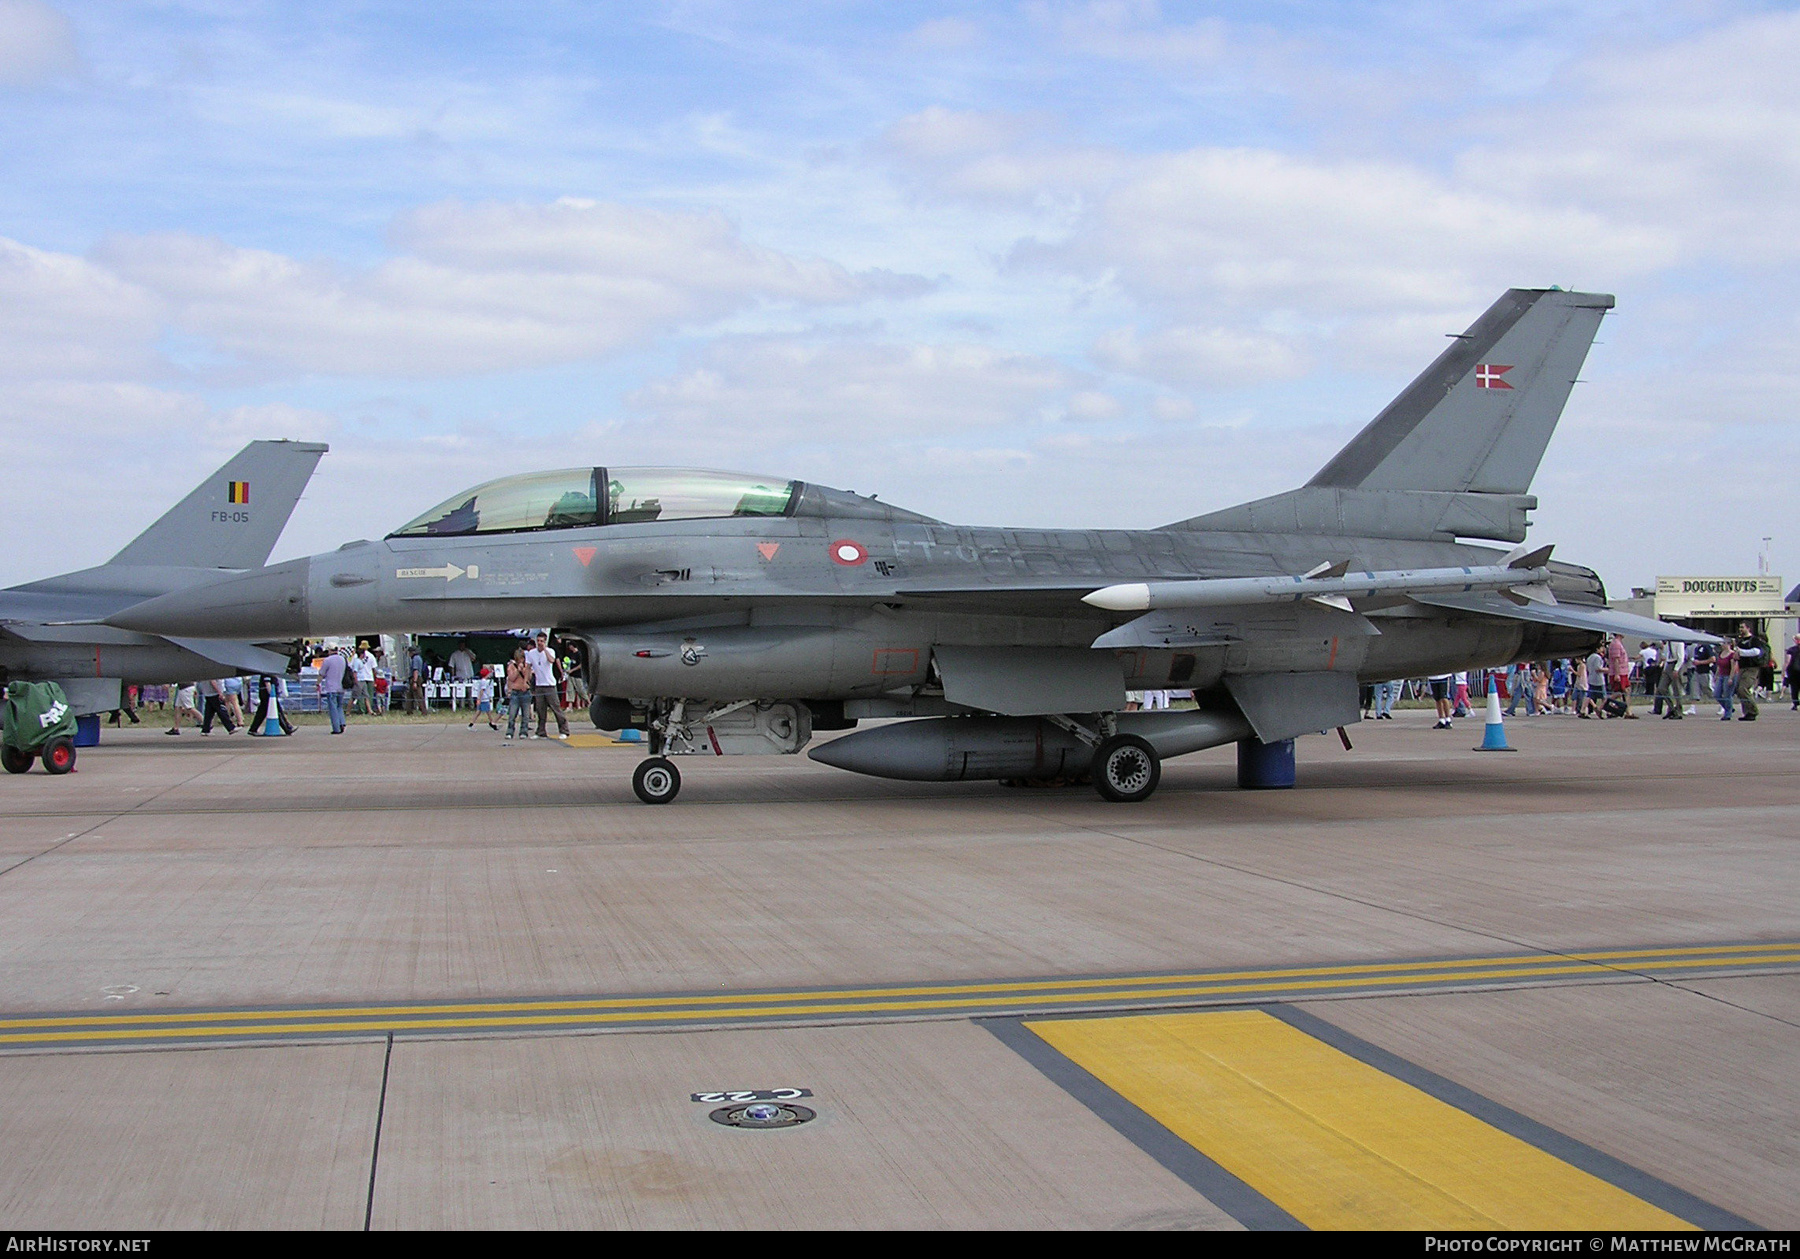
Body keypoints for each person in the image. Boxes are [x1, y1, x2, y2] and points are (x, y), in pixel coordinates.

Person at [526, 632, 570, 739]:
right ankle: (541, 731)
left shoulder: (550, 651)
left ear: (545, 641)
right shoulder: (531, 653)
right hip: (539, 685)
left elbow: (551, 660)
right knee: (541, 710)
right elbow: (528, 666)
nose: (540, 643)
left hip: (549, 684)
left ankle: (564, 730)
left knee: (556, 708)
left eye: (542, 641)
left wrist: (545, 649)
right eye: (538, 641)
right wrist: (527, 679)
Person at [1732, 622, 1764, 722]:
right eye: (1740, 627)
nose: (1740, 629)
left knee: (1743, 688)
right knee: (1738, 689)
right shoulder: (1741, 641)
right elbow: (1737, 654)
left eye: (1742, 627)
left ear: (1748, 628)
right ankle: (1747, 712)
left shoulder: (1754, 640)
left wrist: (1741, 652)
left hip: (1752, 668)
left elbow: (1756, 651)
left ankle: (1753, 710)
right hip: (1742, 667)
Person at [318, 647, 350, 734]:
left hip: (331, 687)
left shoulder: (327, 660)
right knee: (339, 706)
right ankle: (342, 722)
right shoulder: (343, 659)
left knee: (333, 708)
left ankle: (336, 727)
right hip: (341, 687)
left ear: (329, 650)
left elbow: (321, 673)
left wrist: (317, 683)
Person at [504, 647, 533, 741]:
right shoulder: (511, 666)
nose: (520, 661)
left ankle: (524, 731)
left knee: (525, 714)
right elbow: (511, 678)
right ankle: (510, 731)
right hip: (515, 692)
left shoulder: (527, 666)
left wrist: (524, 671)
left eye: (522, 658)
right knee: (512, 713)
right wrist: (518, 671)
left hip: (525, 692)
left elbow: (529, 678)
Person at [1659, 641, 1686, 720]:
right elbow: (1667, 656)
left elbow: (1681, 657)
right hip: (1668, 664)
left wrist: (1676, 669)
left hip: (1675, 664)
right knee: (1661, 688)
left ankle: (1678, 710)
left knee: (1676, 689)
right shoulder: (1667, 644)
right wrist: (1664, 668)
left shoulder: (1679, 643)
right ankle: (1671, 708)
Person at [469, 665, 499, 731]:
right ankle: (492, 723)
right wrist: (479, 699)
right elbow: (482, 691)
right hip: (484, 699)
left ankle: (471, 724)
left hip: (483, 698)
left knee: (479, 712)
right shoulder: (484, 681)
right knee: (488, 712)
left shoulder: (482, 681)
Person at [352, 643, 378, 715]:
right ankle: (369, 710)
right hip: (369, 677)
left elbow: (352, 666)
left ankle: (362, 710)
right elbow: (374, 668)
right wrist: (375, 678)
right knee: (368, 695)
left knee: (360, 695)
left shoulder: (356, 657)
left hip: (360, 678)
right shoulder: (371, 656)